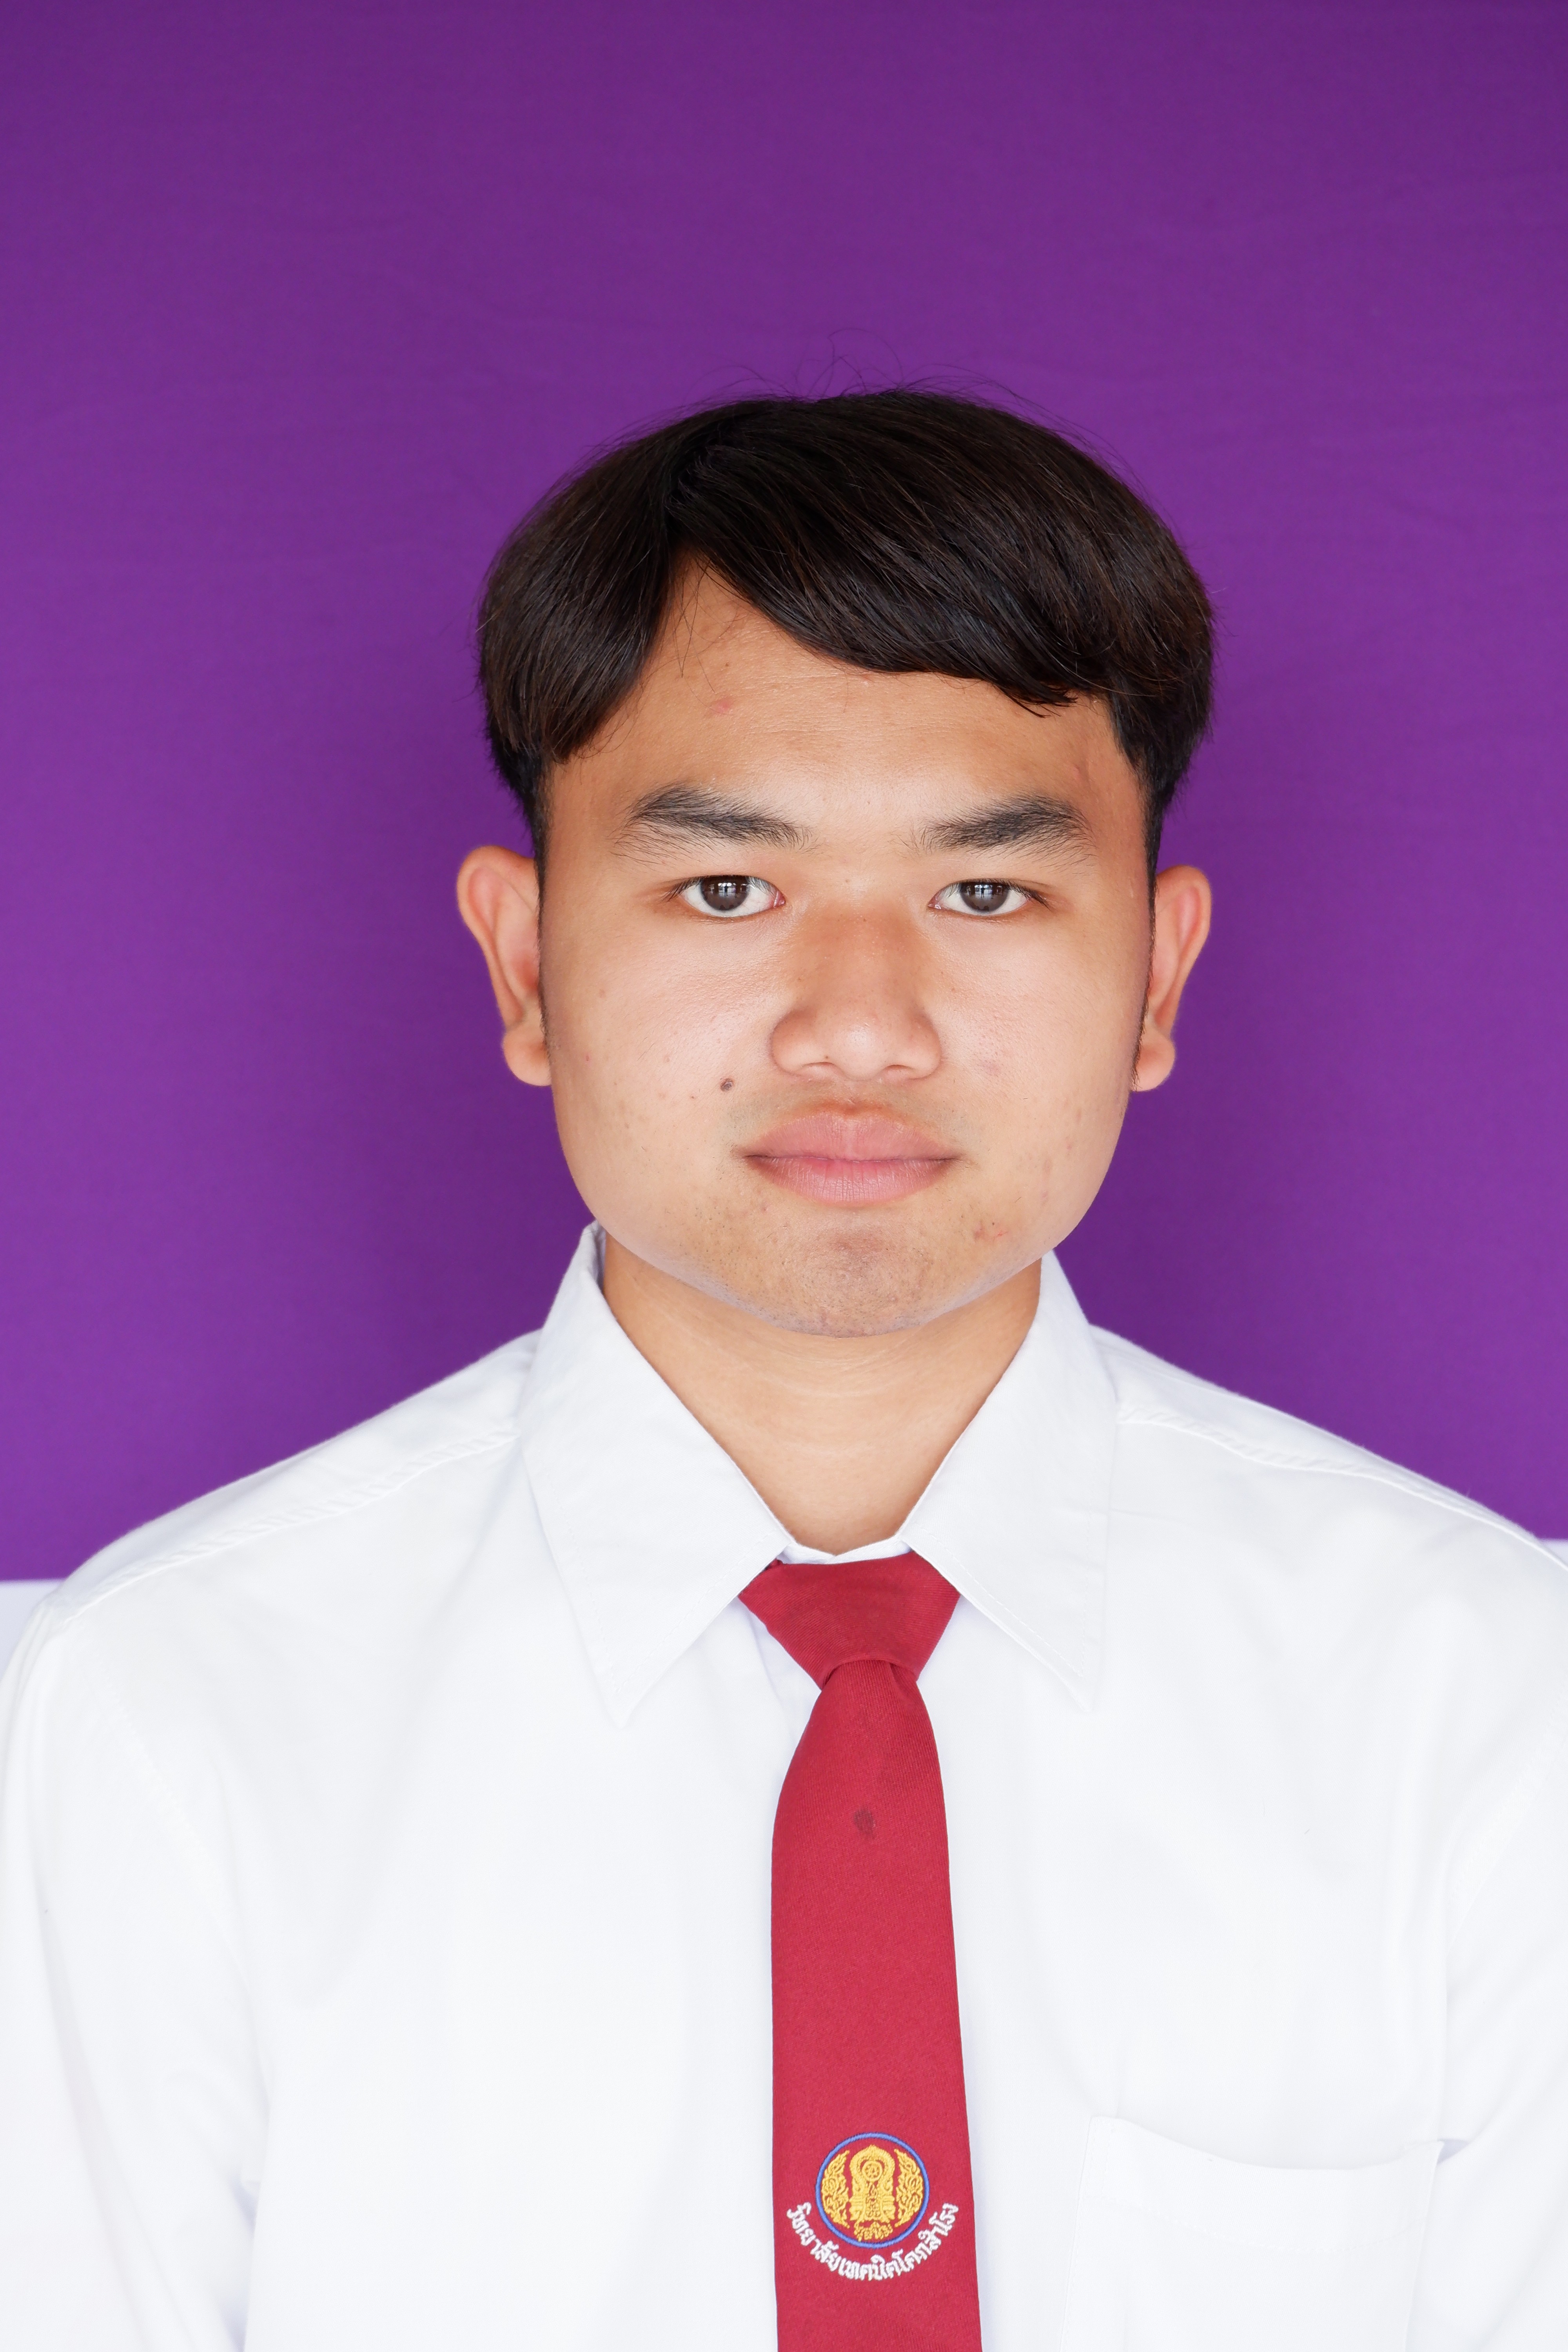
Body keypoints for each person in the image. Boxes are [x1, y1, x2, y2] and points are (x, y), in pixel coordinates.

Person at [0, 391, 1563, 2352]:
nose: (857, 1027)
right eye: (727, 890)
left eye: (984, 892)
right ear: (524, 965)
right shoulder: (156, 1716)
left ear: (1155, 979)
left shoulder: (1486, 1704)